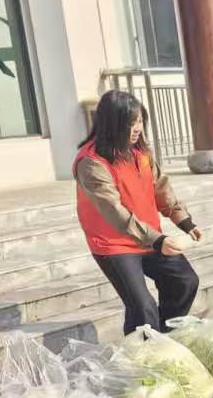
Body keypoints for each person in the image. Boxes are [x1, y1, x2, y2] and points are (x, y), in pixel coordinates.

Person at [74, 89, 203, 335]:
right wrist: (158, 240)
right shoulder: (91, 163)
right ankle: (142, 352)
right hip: (114, 245)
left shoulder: (140, 153)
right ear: (112, 124)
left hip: (149, 238)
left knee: (185, 281)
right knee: (143, 307)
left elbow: (161, 188)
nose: (136, 129)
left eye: (140, 121)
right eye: (130, 124)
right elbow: (115, 213)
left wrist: (184, 221)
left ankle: (163, 338)